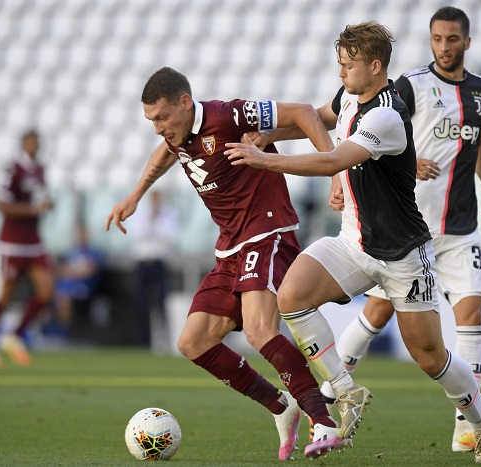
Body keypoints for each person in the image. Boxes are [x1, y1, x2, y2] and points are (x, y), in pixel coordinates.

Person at [225, 20, 481, 464]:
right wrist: (270, 136)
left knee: (430, 358)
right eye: (339, 65)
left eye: (347, 66)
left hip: (403, 256)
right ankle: (345, 391)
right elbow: (318, 118)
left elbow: (335, 158)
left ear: (375, 67)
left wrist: (265, 162)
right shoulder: (352, 97)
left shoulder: (387, 116)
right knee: (292, 296)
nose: (340, 74)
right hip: (354, 243)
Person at [106, 67, 369, 460]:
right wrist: (136, 194)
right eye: (151, 121)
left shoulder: (227, 115)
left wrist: (334, 168)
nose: (158, 128)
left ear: (184, 102)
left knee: (261, 330)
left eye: (161, 117)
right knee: (193, 342)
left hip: (266, 230)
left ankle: (323, 417)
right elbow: (166, 153)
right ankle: (282, 406)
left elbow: (300, 113)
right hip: (230, 244)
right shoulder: (176, 135)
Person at [305, 6, 481, 455]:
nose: (445, 46)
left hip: (453, 228)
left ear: (466, 42)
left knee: (459, 327)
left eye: (453, 39)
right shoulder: (410, 85)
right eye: (437, 38)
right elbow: (380, 132)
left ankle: (471, 425)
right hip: (397, 224)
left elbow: (476, 139)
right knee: (372, 315)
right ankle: (339, 391)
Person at [0, 130, 54, 367]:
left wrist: (48, 205)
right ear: (23, 144)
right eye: (31, 143)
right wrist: (33, 210)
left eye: (37, 143)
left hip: (34, 241)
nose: (34, 147)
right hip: (13, 243)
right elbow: (1, 205)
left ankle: (13, 336)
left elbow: (39, 199)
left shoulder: (40, 170)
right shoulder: (13, 169)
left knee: (46, 292)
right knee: (7, 295)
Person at [128, 189, 179, 348]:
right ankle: (143, 341)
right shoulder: (140, 212)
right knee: (141, 303)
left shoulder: (169, 213)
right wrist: (152, 222)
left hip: (159, 263)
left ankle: (163, 341)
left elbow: (171, 237)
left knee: (162, 302)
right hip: (143, 263)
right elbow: (137, 234)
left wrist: (155, 227)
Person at [51, 222, 105, 337]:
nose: (81, 236)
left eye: (83, 234)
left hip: (85, 287)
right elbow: (64, 269)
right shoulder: (73, 252)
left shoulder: (94, 252)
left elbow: (91, 270)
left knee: (65, 297)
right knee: (52, 294)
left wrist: (74, 272)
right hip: (67, 285)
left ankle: (65, 333)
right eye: (79, 234)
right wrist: (74, 271)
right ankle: (52, 330)